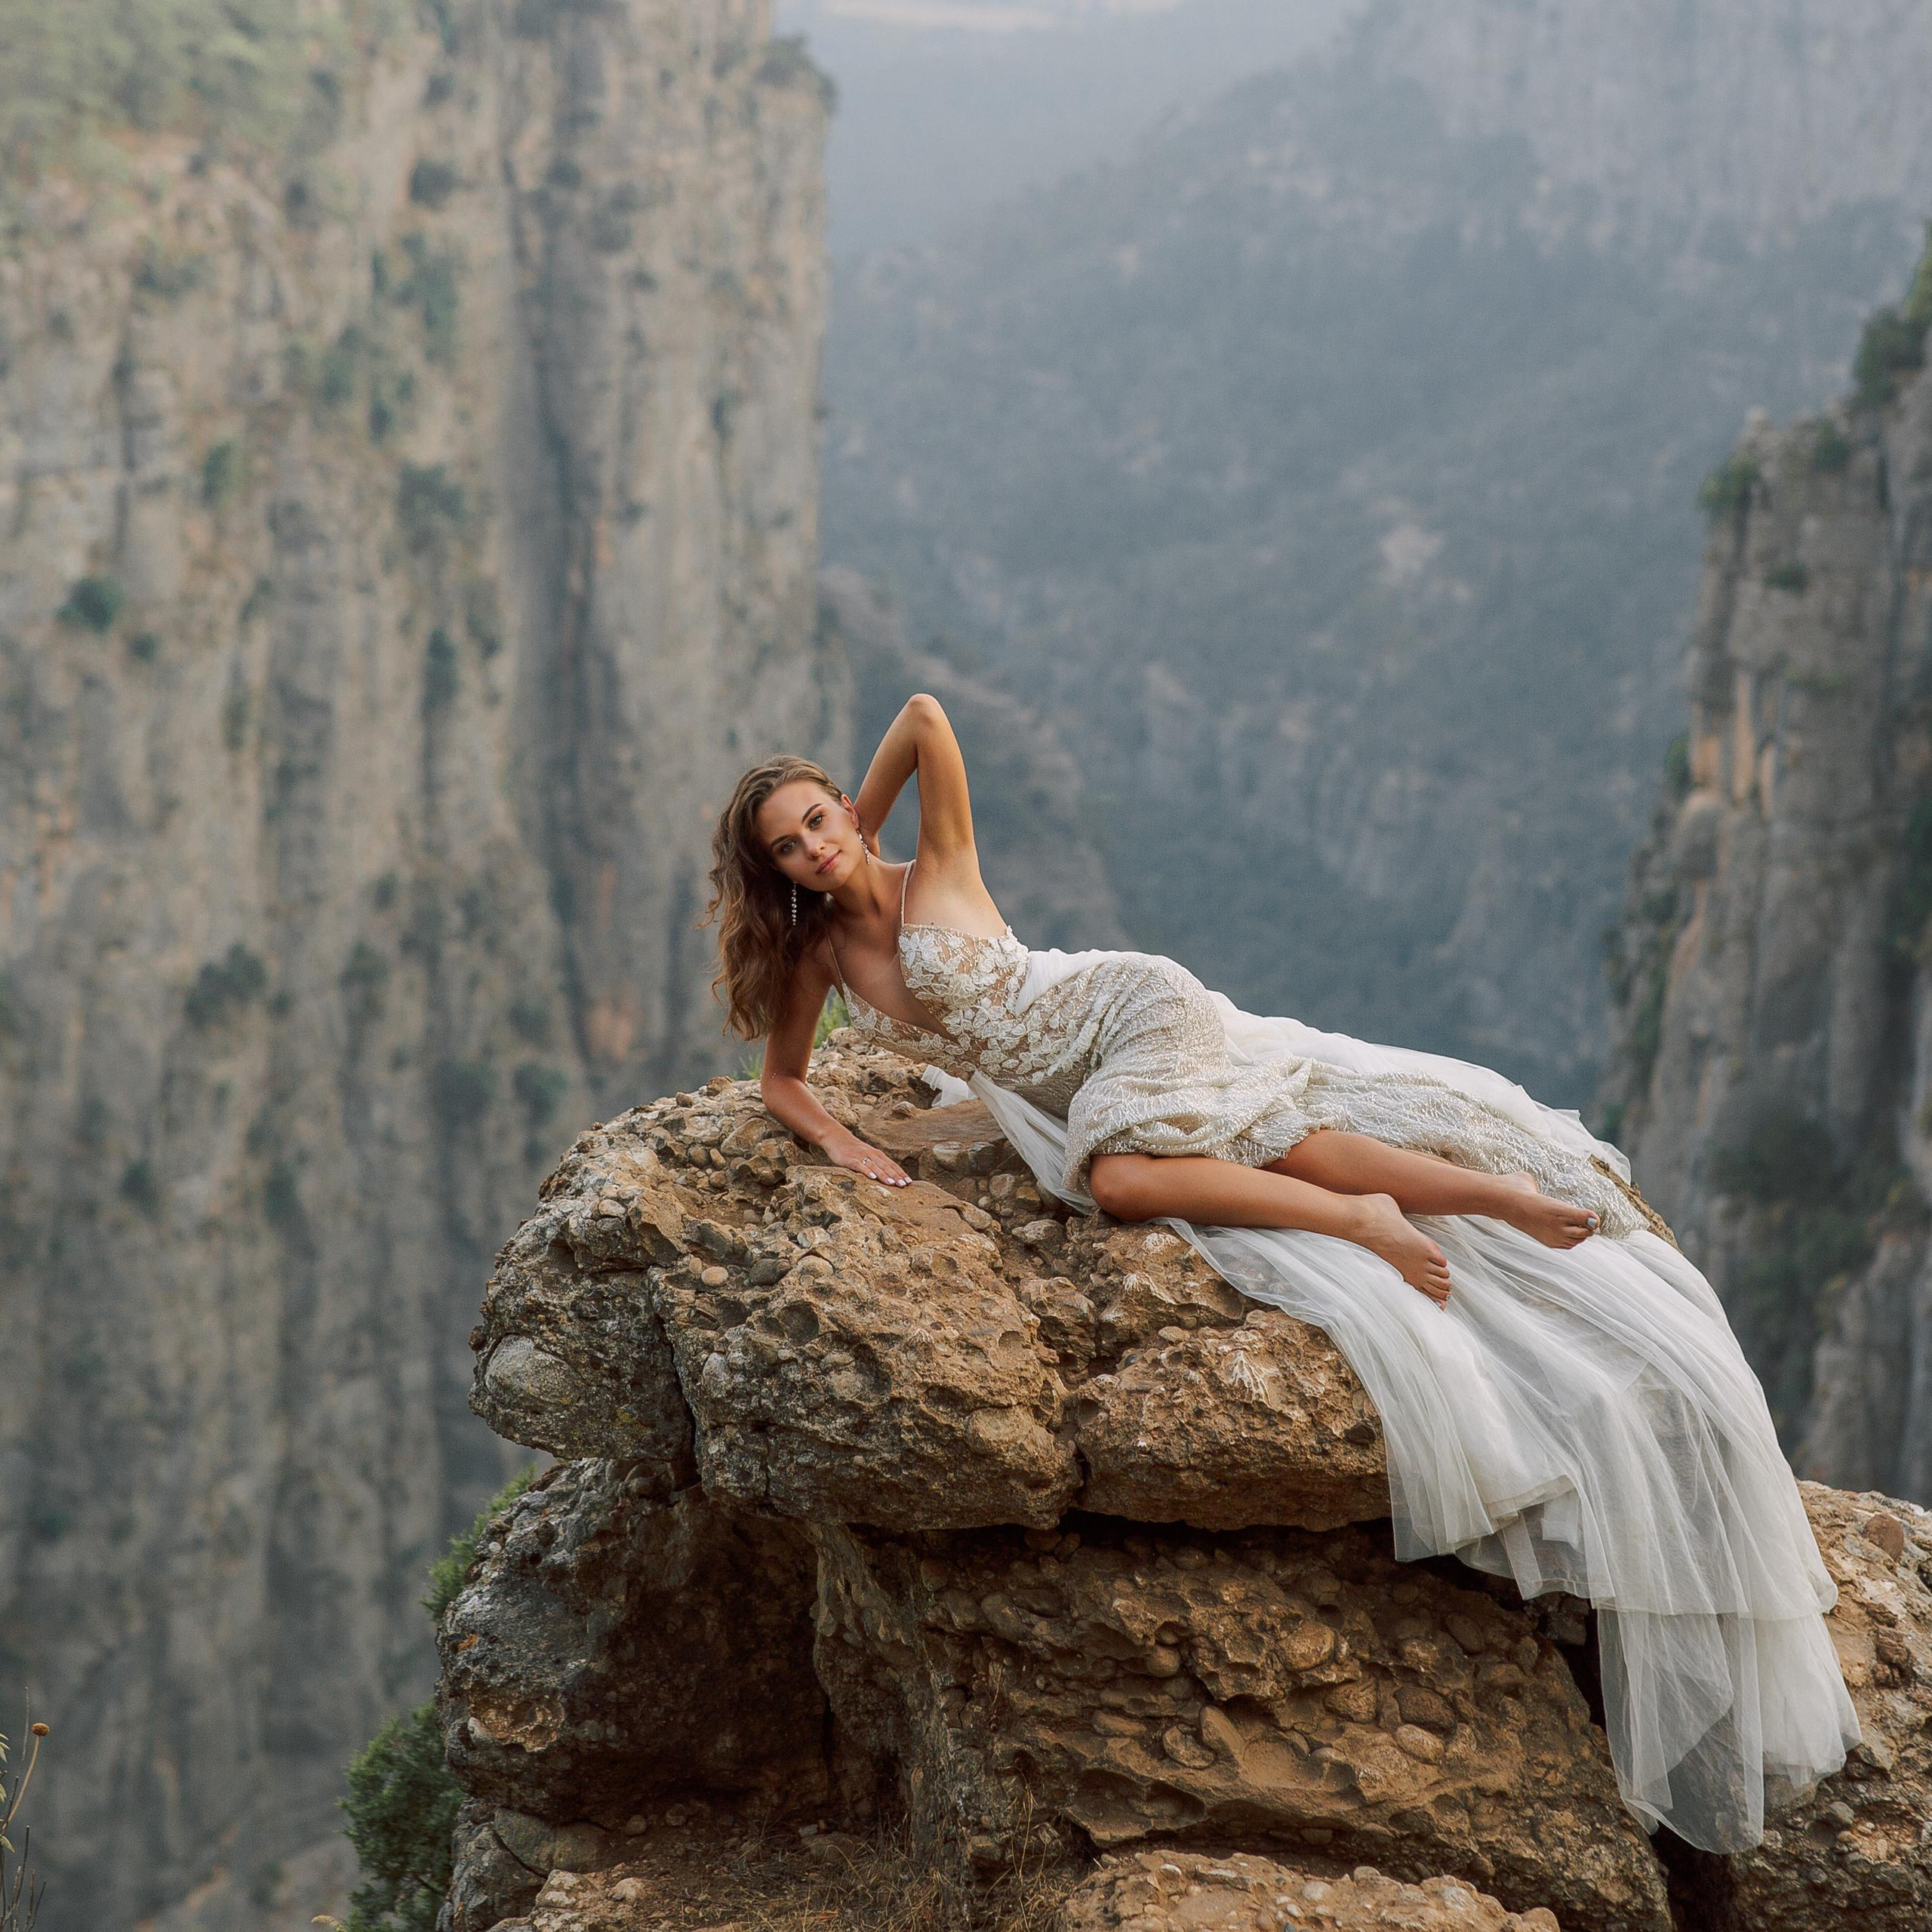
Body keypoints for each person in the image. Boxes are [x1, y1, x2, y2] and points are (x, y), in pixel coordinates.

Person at [703, 693, 1859, 1855]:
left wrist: (867, 808)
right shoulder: (816, 954)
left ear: (845, 807)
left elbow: (923, 714)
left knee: (1122, 1181)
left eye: (820, 818)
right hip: (1082, 1084)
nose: (814, 846)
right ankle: (1476, 1192)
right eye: (789, 845)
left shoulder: (930, 866)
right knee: (1265, 1137)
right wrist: (848, 1146)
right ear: (774, 871)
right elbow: (785, 1081)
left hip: (1129, 1010)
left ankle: (1365, 1219)